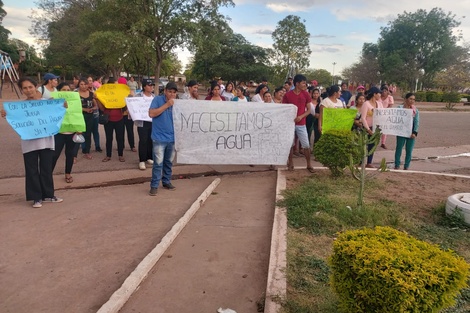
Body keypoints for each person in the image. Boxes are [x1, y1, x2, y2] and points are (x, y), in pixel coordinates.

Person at [1, 78, 64, 208]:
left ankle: (49, 195)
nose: (28, 90)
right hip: (29, 143)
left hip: (46, 142)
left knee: (46, 169)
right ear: (21, 90)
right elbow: (14, 119)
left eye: (30, 87)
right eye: (25, 88)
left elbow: (60, 110)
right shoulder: (19, 108)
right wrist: (7, 114)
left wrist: (62, 106)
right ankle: (36, 198)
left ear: (35, 86)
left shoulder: (47, 103)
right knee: (32, 170)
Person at [148, 82, 178, 195]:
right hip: (159, 138)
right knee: (158, 163)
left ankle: (166, 181)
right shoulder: (157, 100)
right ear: (165, 91)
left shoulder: (178, 103)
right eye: (170, 91)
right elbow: (151, 114)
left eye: (174, 92)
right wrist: (167, 105)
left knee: (168, 162)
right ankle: (154, 185)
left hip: (172, 138)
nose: (172, 94)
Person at [282, 74, 314, 173]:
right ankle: (290, 163)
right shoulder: (288, 95)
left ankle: (309, 164)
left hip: (301, 123)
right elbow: (284, 109)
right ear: (297, 83)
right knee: (290, 144)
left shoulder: (306, 94)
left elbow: (309, 110)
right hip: (290, 123)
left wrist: (301, 116)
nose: (305, 85)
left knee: (306, 145)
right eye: (303, 83)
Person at [52, 82, 80, 183]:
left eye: (68, 90)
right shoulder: (53, 102)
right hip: (58, 133)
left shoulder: (75, 101)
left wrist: (79, 128)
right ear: (59, 91)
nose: (67, 92)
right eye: (64, 90)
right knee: (54, 155)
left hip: (72, 133)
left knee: (70, 154)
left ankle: (68, 174)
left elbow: (78, 115)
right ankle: (48, 175)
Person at [97, 77, 126, 162]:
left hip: (119, 119)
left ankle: (120, 155)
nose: (117, 87)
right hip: (108, 120)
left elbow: (125, 108)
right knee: (109, 138)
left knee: (120, 138)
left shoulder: (121, 95)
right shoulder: (105, 96)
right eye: (115, 85)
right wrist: (97, 99)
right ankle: (108, 155)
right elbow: (102, 109)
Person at [394, 93, 420, 170]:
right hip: (401, 132)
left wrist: (415, 132)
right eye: (410, 99)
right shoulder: (399, 108)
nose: (412, 101)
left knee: (409, 150)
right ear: (406, 99)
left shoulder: (415, 110)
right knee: (399, 148)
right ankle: (397, 164)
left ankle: (406, 166)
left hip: (411, 133)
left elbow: (417, 122)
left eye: (413, 99)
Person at [360, 86, 383, 168]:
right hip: (367, 128)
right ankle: (361, 161)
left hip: (376, 128)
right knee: (363, 145)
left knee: (372, 145)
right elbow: (363, 118)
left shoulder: (380, 104)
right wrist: (368, 129)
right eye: (379, 93)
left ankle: (369, 162)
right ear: (374, 94)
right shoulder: (366, 104)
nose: (380, 95)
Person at [135, 79, 155, 170]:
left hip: (152, 121)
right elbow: (133, 106)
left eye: (152, 85)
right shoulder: (138, 96)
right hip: (142, 121)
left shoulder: (154, 97)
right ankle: (142, 160)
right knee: (143, 140)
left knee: (151, 140)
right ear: (144, 87)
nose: (151, 87)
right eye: (149, 85)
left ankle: (149, 157)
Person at [76, 77, 98, 160]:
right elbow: (74, 106)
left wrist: (93, 108)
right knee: (78, 134)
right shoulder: (76, 94)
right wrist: (84, 109)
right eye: (81, 84)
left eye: (85, 84)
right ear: (79, 85)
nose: (83, 86)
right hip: (79, 116)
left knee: (88, 135)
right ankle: (74, 155)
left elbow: (95, 105)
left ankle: (87, 152)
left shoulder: (91, 94)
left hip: (90, 116)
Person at [119, 76, 136, 152]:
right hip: (120, 115)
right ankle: (121, 146)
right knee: (120, 132)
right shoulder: (117, 93)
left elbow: (133, 103)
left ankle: (132, 145)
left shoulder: (130, 92)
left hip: (129, 115)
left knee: (130, 131)